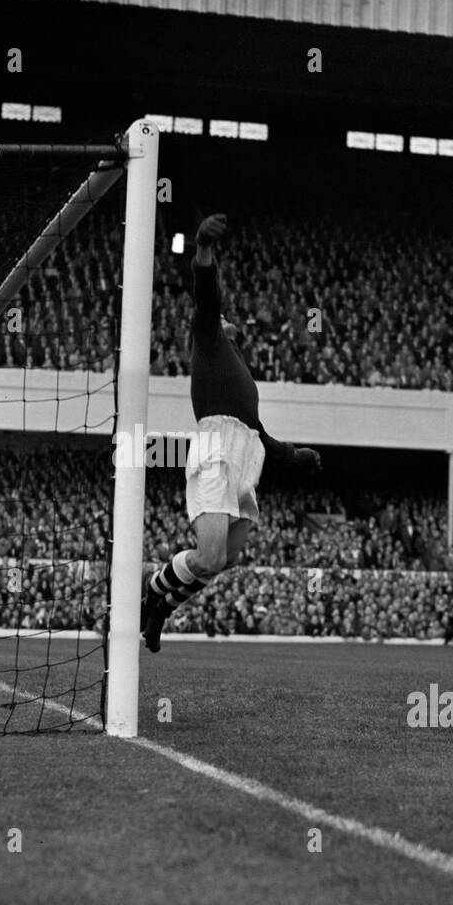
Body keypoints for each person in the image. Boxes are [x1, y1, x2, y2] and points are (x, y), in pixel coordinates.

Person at [141, 214, 321, 652]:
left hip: (246, 455)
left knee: (226, 558)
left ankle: (162, 608)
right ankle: (153, 591)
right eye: (222, 317)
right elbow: (206, 298)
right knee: (208, 556)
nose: (226, 318)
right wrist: (202, 249)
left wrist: (295, 456)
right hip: (218, 447)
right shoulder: (207, 340)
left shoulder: (241, 371)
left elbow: (260, 434)